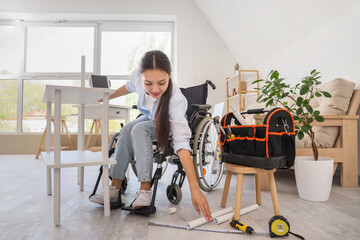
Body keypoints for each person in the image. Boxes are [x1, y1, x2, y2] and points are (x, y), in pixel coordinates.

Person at [90, 50, 212, 220]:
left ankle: (145, 191)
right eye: (148, 83)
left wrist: (194, 188)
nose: (155, 89)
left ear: (170, 76)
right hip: (150, 118)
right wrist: (106, 97)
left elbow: (182, 145)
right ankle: (114, 188)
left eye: (162, 83)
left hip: (168, 123)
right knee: (126, 130)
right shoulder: (137, 77)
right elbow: (126, 87)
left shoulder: (175, 100)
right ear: (141, 77)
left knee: (138, 130)